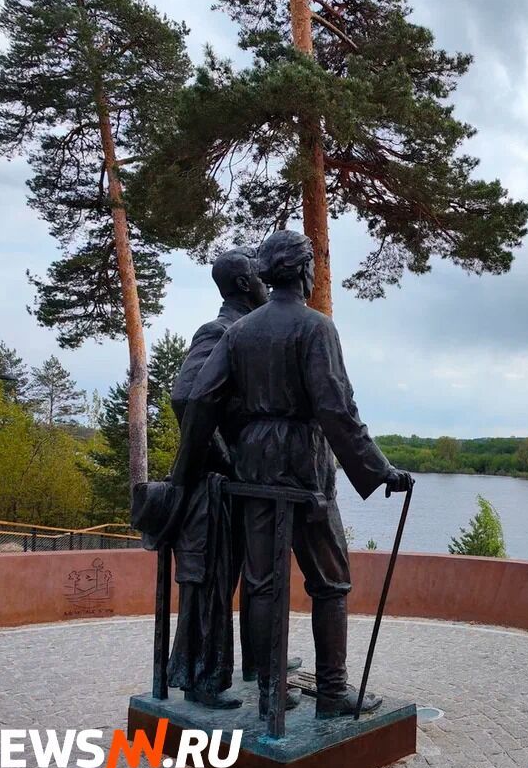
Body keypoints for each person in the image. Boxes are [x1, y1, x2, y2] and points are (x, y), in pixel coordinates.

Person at [172, 230, 413, 719]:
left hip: (255, 465)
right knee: (331, 581)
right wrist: (379, 469)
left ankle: (271, 693)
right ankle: (332, 692)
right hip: (304, 464)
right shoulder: (316, 327)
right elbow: (336, 409)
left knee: (262, 582)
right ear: (303, 271)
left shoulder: (240, 331)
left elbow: (199, 399)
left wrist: (188, 470)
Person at [166, 246, 280, 709]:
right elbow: (185, 397)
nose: (266, 284)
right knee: (210, 584)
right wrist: (226, 460)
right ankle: (201, 679)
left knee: (250, 576)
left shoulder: (248, 331)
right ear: (243, 284)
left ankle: (254, 663)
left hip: (236, 483)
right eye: (259, 277)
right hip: (214, 486)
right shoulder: (219, 331)